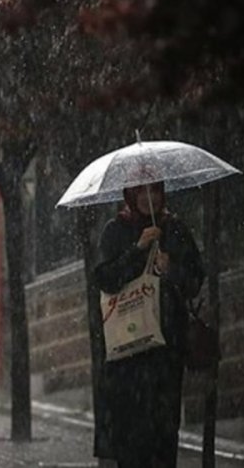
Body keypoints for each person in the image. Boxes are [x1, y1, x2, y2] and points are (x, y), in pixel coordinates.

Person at [94, 182, 204, 468]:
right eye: (141, 191)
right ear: (130, 195)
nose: (148, 198)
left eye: (154, 190)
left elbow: (194, 281)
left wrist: (172, 269)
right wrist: (137, 250)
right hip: (128, 355)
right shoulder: (115, 231)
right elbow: (105, 278)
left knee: (165, 436)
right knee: (132, 440)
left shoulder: (175, 229)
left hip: (165, 352)